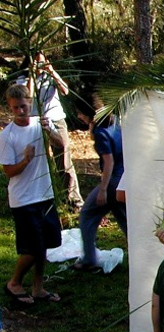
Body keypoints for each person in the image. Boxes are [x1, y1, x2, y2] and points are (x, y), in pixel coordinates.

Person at [0, 84, 63, 304]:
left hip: (44, 193)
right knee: (32, 247)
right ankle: (14, 283)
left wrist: (50, 131)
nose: (20, 111)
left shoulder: (40, 123)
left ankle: (38, 287)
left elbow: (62, 144)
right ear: (10, 107)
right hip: (24, 198)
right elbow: (8, 171)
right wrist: (26, 160)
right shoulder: (8, 136)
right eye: (15, 108)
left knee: (45, 243)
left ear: (30, 103)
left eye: (23, 106)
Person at [21, 52, 84, 209]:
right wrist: (31, 75)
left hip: (56, 119)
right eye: (37, 63)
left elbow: (65, 90)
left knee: (63, 159)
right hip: (36, 121)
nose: (40, 66)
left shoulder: (51, 77)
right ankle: (42, 197)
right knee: (38, 160)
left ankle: (73, 199)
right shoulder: (24, 79)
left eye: (43, 62)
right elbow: (27, 98)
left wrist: (52, 72)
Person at [71, 96, 127, 271]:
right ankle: (146, 254)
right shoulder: (115, 121)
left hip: (112, 181)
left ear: (88, 114)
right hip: (124, 178)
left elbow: (108, 162)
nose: (79, 116)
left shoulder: (100, 133)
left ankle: (89, 259)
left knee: (87, 215)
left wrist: (103, 189)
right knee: (126, 220)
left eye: (80, 113)